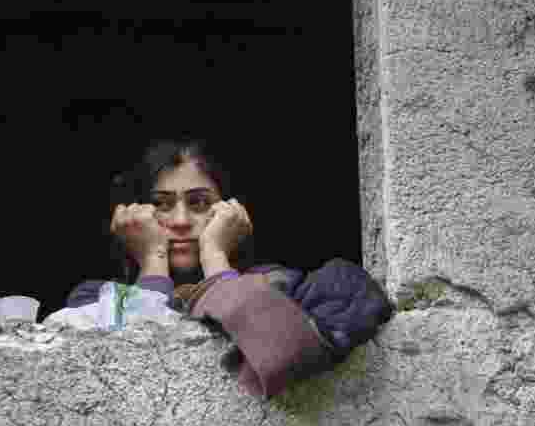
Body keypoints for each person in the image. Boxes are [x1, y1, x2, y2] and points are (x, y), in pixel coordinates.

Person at [65, 137, 394, 399]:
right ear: (134, 215)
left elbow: (286, 352)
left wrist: (215, 260)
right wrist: (153, 259)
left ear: (230, 212)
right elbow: (130, 379)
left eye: (199, 203)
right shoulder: (94, 302)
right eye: (161, 205)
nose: (180, 221)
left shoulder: (288, 286)